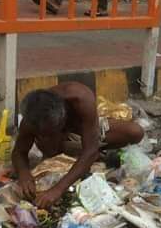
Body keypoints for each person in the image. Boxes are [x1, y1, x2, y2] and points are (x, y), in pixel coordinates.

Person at [12, 82, 144, 210]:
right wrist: (24, 175)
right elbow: (19, 151)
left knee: (135, 132)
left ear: (63, 115)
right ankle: (73, 158)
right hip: (56, 144)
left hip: (84, 131)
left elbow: (91, 150)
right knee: (56, 152)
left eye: (52, 130)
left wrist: (57, 190)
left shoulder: (80, 98)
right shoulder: (31, 117)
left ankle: (84, 159)